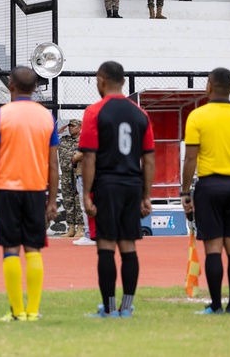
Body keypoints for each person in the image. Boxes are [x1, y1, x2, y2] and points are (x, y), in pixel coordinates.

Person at [78, 61, 155, 318]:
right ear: (123, 82)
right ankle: (126, 307)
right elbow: (149, 158)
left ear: (101, 80)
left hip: (106, 185)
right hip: (133, 185)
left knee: (106, 247)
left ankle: (109, 309)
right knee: (129, 247)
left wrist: (86, 195)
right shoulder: (140, 114)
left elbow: (88, 158)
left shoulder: (94, 112)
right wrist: (146, 195)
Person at [0, 66, 59, 322]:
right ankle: (33, 311)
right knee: (34, 249)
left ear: (10, 85)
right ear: (35, 87)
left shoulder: (0, 115)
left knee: (10, 249)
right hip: (36, 190)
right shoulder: (47, 117)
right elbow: (53, 163)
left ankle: (16, 311)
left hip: (6, 189)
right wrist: (51, 200)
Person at [181, 68, 230, 315]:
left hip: (209, 186)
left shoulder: (197, 116)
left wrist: (185, 192)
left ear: (208, 86)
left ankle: (216, 305)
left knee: (213, 248)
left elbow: (190, 159)